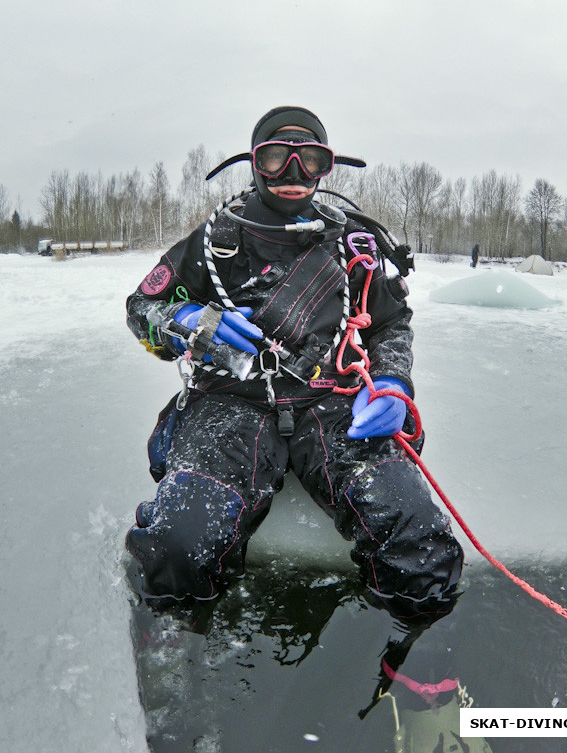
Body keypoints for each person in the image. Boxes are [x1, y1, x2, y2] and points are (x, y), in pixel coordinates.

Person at [125, 105, 463, 624]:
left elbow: (390, 323)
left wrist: (393, 381)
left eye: (310, 160)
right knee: (177, 550)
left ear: (326, 165)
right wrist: (187, 320)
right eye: (277, 157)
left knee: (422, 546)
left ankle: (408, 672)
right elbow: (141, 307)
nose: (293, 174)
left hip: (332, 403)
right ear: (255, 163)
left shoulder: (353, 242)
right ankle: (178, 660)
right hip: (230, 405)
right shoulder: (217, 239)